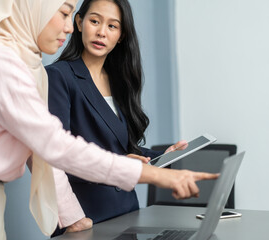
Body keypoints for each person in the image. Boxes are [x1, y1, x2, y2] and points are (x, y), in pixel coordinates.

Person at [0, 0, 218, 239]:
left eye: (112, 26)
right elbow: (55, 147)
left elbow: (44, 153)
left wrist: (71, 216)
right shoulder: (3, 63)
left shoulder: (26, 65)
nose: (68, 27)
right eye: (64, 13)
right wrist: (154, 176)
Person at [46, 0, 190, 236]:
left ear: (121, 36)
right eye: (94, 21)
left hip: (128, 214)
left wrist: (163, 156)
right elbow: (54, 159)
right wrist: (120, 165)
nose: (102, 32)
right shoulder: (59, 77)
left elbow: (122, 149)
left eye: (113, 26)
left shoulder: (117, 80)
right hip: (86, 219)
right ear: (80, 23)